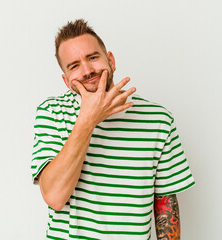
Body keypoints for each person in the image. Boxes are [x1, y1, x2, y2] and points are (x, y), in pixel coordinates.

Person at [31, 19, 195, 240]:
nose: (88, 70)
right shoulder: (51, 112)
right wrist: (88, 120)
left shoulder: (158, 119)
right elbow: (55, 197)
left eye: (92, 57)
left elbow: (165, 204)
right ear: (66, 80)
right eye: (74, 65)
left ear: (111, 60)